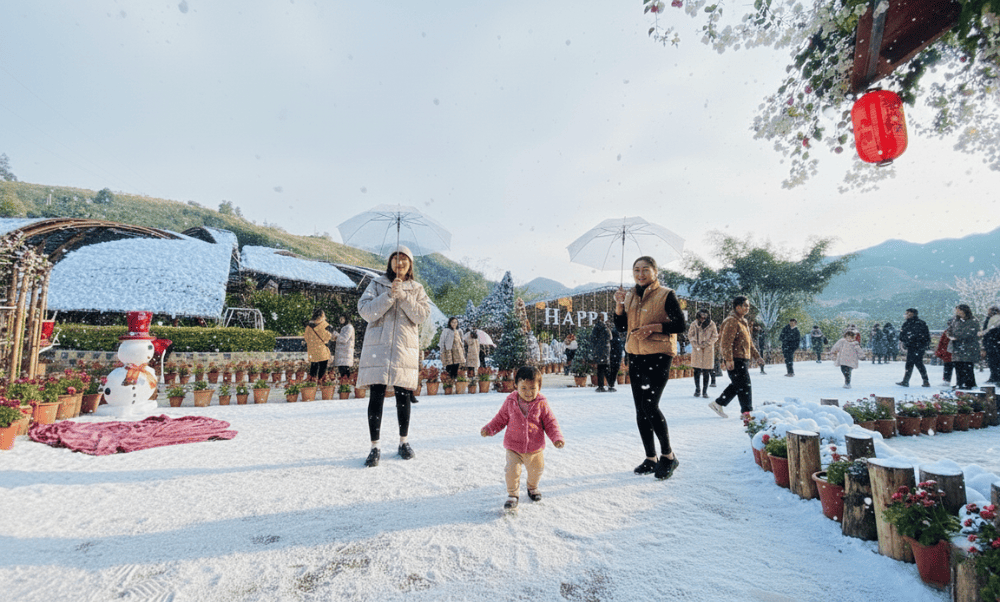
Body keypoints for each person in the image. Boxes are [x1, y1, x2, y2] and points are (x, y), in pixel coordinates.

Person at [357, 245, 431, 467]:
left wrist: (404, 297)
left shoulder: (417, 288)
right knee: (376, 396)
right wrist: (389, 296)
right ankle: (375, 446)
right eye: (395, 259)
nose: (399, 263)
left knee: (403, 396)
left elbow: (421, 316)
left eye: (404, 260)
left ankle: (403, 442)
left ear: (410, 264)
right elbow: (365, 311)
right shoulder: (377, 284)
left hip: (403, 349)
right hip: (377, 349)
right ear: (389, 262)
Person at [613, 256, 686, 480]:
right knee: (640, 409)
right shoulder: (630, 295)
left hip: (658, 355)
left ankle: (668, 455)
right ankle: (650, 457)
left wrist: (653, 328)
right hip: (635, 355)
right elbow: (622, 326)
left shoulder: (666, 294)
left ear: (655, 271)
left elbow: (680, 325)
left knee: (650, 405)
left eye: (645, 269)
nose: (640, 273)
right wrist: (619, 304)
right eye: (636, 270)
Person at [480, 366, 565, 511]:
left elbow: (550, 422)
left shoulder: (541, 403)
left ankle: (532, 487)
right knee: (512, 471)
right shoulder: (510, 402)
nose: (528, 392)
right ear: (516, 386)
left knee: (537, 470)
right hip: (514, 447)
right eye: (523, 388)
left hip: (535, 448)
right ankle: (513, 494)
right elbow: (500, 419)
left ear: (539, 387)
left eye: (532, 388)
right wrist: (489, 429)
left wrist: (556, 437)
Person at [708, 296, 764, 419]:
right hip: (736, 358)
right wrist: (728, 359)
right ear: (737, 307)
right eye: (745, 305)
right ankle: (746, 412)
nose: (747, 308)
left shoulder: (742, 321)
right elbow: (726, 342)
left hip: (743, 358)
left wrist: (757, 356)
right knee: (745, 385)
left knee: (738, 384)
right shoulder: (731, 321)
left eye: (748, 306)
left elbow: (749, 343)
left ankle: (718, 403)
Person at [687, 309, 719, 398]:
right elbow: (690, 335)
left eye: (705, 315)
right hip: (697, 349)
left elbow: (715, 336)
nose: (703, 317)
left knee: (706, 371)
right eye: (701, 315)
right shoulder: (694, 324)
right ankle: (697, 389)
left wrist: (707, 343)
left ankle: (705, 391)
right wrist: (695, 344)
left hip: (708, 350)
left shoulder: (712, 324)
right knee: (696, 370)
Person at [948, 304, 980, 390]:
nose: (956, 312)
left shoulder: (972, 320)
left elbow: (972, 333)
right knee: (958, 365)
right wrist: (950, 336)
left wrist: (959, 337)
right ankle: (960, 383)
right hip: (957, 346)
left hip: (968, 346)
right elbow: (949, 330)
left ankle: (969, 383)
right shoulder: (955, 320)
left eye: (958, 310)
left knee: (967, 365)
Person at [897, 308, 931, 388]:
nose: (905, 315)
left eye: (907, 313)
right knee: (916, 363)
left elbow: (902, 336)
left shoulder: (910, 324)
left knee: (914, 363)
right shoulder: (919, 323)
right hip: (916, 346)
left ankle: (907, 381)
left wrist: (908, 340)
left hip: (915, 346)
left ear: (912, 314)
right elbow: (902, 336)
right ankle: (924, 381)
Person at [303, 308, 334, 381]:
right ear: (321, 315)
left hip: (312, 351)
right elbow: (328, 337)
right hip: (322, 351)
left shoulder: (308, 326)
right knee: (322, 368)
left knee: (313, 367)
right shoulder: (324, 325)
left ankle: (311, 383)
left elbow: (306, 338)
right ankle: (321, 382)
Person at [590, 315, 612, 392]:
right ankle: (610, 385)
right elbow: (610, 337)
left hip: (599, 351)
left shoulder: (596, 327)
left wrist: (595, 347)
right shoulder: (606, 327)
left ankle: (601, 386)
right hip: (606, 350)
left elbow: (592, 339)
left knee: (600, 369)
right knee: (606, 369)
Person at [439, 317, 466, 381]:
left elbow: (461, 341)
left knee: (456, 366)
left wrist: (462, 349)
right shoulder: (446, 330)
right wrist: (442, 350)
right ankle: (449, 382)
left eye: (455, 322)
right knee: (449, 366)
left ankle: (454, 380)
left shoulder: (459, 331)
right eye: (453, 322)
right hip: (449, 351)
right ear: (450, 323)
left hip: (457, 351)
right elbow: (442, 341)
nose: (454, 324)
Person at [980, 306, 1000, 384]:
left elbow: (986, 332)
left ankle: (995, 377)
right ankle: (994, 377)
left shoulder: (993, 320)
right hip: (992, 343)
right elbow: (986, 332)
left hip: (993, 343)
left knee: (994, 361)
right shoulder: (989, 319)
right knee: (992, 361)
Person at [934, 320, 954, 387]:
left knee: (948, 367)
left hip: (948, 352)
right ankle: (947, 380)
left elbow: (941, 342)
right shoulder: (949, 332)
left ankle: (947, 380)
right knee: (950, 366)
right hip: (949, 352)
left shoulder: (947, 331)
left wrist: (939, 350)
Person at [608, 324, 624, 393]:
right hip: (617, 358)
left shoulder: (610, 341)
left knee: (610, 371)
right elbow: (620, 350)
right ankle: (611, 384)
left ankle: (610, 384)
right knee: (614, 372)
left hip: (611, 358)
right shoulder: (619, 340)